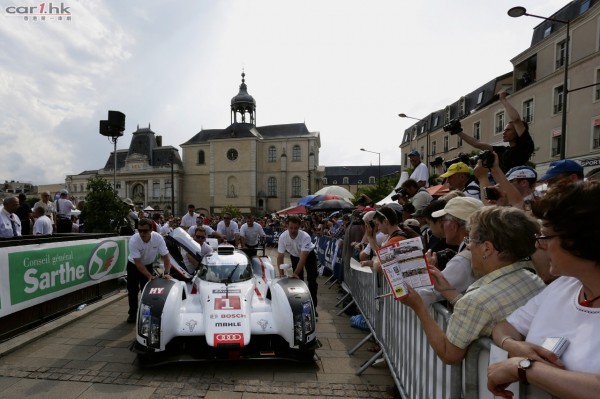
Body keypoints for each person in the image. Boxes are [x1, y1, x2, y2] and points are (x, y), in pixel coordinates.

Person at [488, 180, 600, 399]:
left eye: (546, 235)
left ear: (582, 239)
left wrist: (524, 367)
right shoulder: (565, 285)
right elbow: (504, 327)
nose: (539, 244)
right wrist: (513, 345)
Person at [399, 205, 544, 364]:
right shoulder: (533, 278)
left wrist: (419, 307)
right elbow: (480, 315)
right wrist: (448, 290)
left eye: (471, 240)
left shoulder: (477, 300)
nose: (468, 246)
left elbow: (449, 354)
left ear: (487, 249)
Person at [417, 196, 483, 306]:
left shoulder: (463, 260)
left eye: (443, 221)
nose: (442, 226)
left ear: (453, 225)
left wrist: (426, 272)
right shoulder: (479, 250)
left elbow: (423, 296)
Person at [456, 91, 534, 173]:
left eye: (508, 130)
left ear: (518, 132)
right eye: (504, 130)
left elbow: (516, 120)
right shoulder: (503, 150)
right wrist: (458, 132)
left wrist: (503, 99)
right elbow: (477, 144)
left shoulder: (525, 146)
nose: (504, 132)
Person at [126, 218, 172, 323]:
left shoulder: (158, 238)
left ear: (151, 230)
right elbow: (137, 262)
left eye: (145, 231)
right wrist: (149, 276)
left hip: (148, 264)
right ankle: (132, 314)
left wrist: (166, 273)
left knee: (146, 291)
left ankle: (146, 314)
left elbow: (166, 257)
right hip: (133, 265)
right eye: (140, 230)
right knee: (132, 291)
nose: (142, 233)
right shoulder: (134, 240)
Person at [276, 216, 319, 312]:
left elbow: (303, 258)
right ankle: (299, 305)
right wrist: (281, 273)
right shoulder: (283, 237)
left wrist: (295, 273)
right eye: (291, 228)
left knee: (312, 280)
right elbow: (280, 256)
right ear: (287, 226)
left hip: (309, 256)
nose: (293, 230)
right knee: (298, 282)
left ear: (299, 227)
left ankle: (313, 307)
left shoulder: (305, 236)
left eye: (295, 228)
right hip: (294, 255)